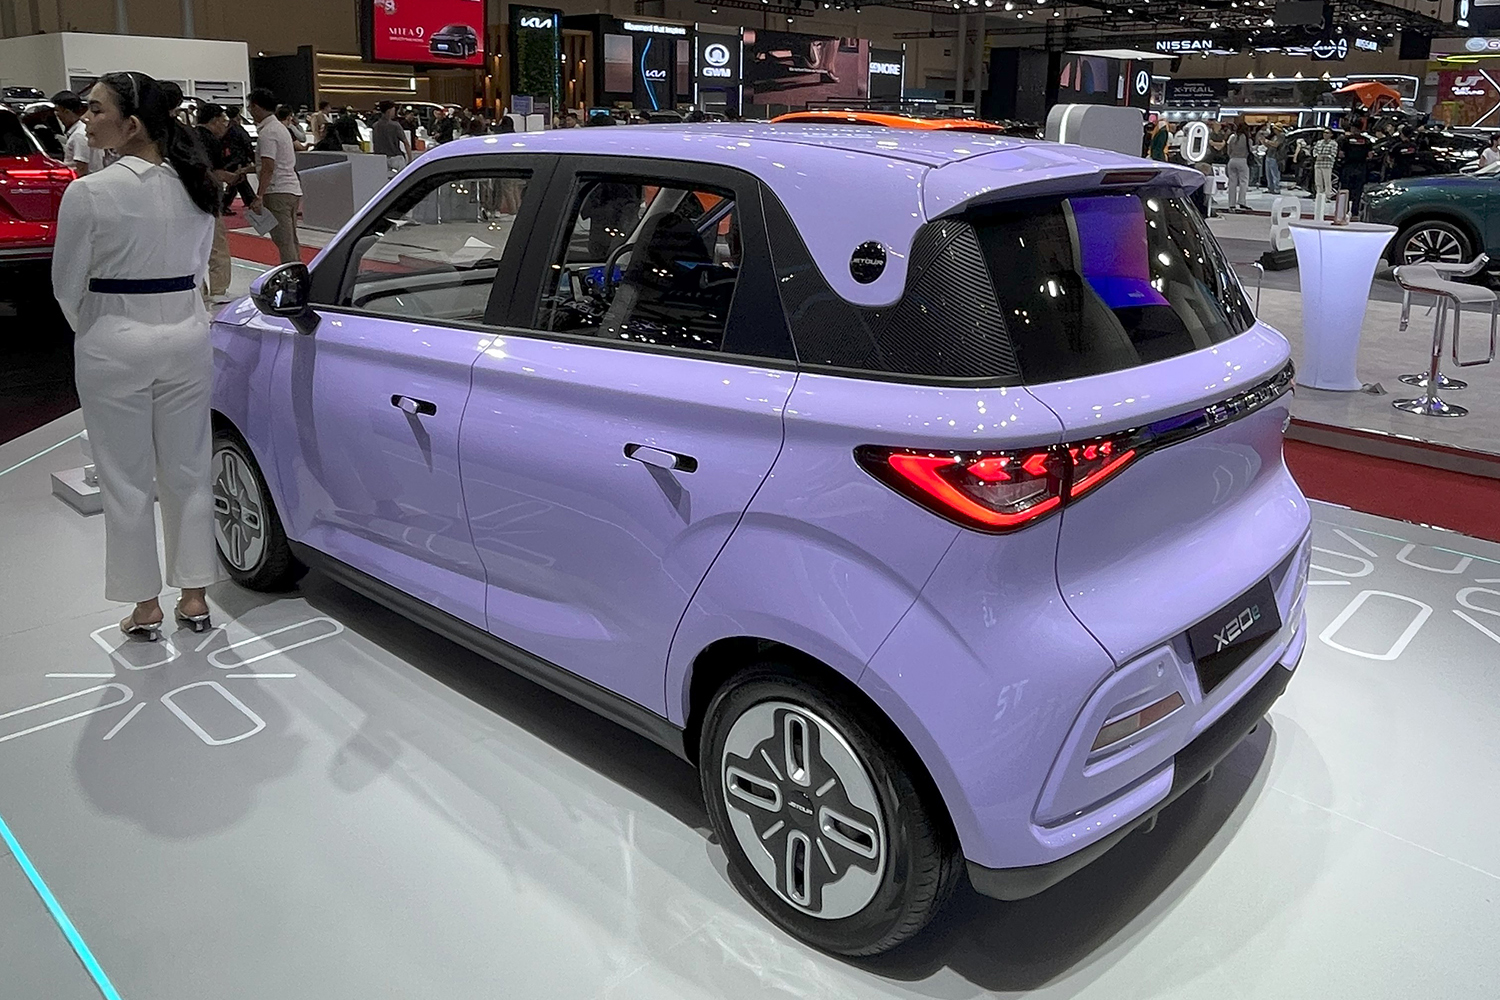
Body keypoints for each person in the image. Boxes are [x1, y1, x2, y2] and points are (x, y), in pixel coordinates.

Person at [51, 71, 220, 638]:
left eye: (97, 110)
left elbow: (66, 285)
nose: (86, 118)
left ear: (132, 124)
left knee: (124, 478)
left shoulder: (89, 192)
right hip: (186, 336)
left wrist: (97, 329)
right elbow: (200, 269)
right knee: (189, 469)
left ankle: (146, 606)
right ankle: (194, 597)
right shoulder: (196, 186)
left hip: (114, 338)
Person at [194, 102, 247, 302]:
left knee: (195, 247)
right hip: (209, 199)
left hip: (189, 199)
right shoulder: (212, 141)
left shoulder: (187, 136)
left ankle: (199, 289)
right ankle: (218, 290)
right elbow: (215, 172)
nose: (225, 125)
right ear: (215, 120)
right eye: (223, 121)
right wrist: (231, 177)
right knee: (217, 247)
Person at [246, 87, 303, 264]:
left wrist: (259, 195)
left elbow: (268, 167)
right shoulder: (280, 128)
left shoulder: (267, 133)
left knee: (283, 241)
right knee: (291, 239)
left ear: (256, 107)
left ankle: (291, 273)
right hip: (291, 188)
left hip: (276, 190)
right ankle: (296, 269)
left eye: (250, 107)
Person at [221, 105, 256, 213]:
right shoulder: (238, 129)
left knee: (237, 183)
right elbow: (247, 144)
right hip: (239, 159)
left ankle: (225, 204)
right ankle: (251, 202)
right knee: (239, 182)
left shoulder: (226, 129)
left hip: (230, 158)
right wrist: (252, 158)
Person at [371, 100, 409, 175]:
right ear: (389, 111)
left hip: (380, 160)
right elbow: (406, 143)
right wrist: (410, 160)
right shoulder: (395, 126)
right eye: (393, 110)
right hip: (395, 158)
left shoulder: (375, 126)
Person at [1339, 123, 1372, 210]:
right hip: (1361, 167)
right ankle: (1355, 211)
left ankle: (1344, 210)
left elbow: (1341, 154)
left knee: (1345, 189)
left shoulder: (1345, 140)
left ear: (1353, 128)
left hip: (1348, 166)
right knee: (1358, 190)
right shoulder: (1366, 140)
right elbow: (1370, 155)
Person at [1224, 122, 1251, 212]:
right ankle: (1241, 201)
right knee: (1243, 182)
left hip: (1232, 160)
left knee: (1232, 183)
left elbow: (1228, 150)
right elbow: (1250, 150)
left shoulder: (1232, 137)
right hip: (1242, 160)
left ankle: (1231, 204)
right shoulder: (1247, 139)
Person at [1312, 127, 1339, 198]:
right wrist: (1316, 156)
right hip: (1318, 164)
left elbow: (1333, 154)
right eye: (1324, 133)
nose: (1325, 134)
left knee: (1327, 182)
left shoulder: (1333, 143)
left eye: (1327, 133)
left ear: (1331, 134)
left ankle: (1327, 196)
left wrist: (1324, 156)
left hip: (1327, 165)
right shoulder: (1319, 142)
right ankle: (1319, 196)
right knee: (1318, 182)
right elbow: (1315, 151)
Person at [1262, 125, 1283, 195]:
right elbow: (1270, 145)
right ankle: (1270, 187)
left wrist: (1268, 141)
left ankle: (1276, 188)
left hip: (1275, 157)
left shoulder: (1281, 136)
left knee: (1275, 173)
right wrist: (1264, 142)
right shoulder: (1274, 137)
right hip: (1269, 155)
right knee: (1268, 174)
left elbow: (1276, 144)